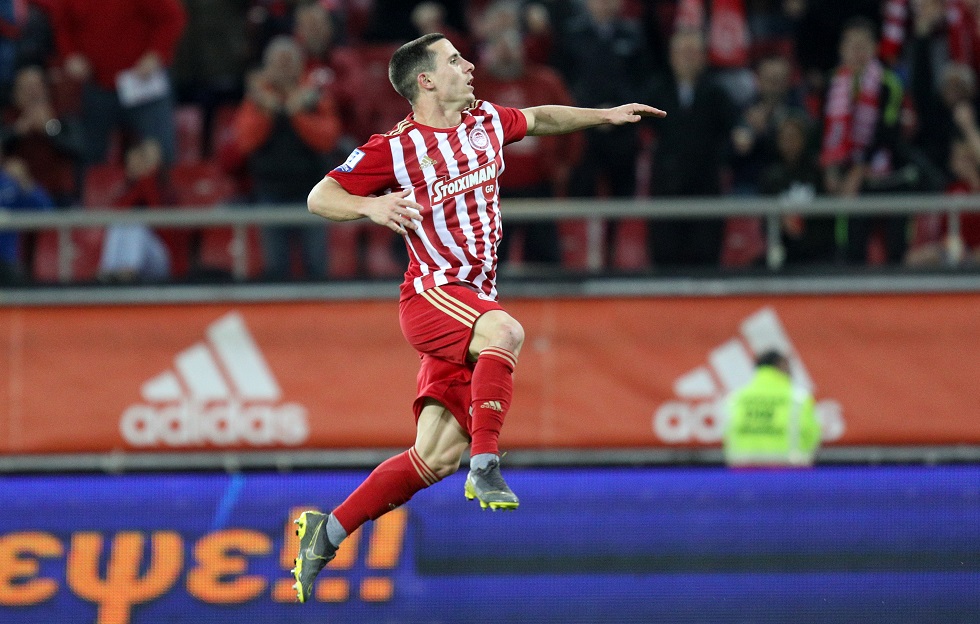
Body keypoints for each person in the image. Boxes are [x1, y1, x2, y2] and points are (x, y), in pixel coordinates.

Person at [291, 32, 664, 603]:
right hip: (432, 295)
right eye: (454, 60)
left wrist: (604, 116)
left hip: (471, 303)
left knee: (434, 457)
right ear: (426, 80)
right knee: (506, 331)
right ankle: (486, 463)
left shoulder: (486, 121)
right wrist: (370, 205)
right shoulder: (394, 147)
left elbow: (540, 118)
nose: (469, 65)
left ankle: (329, 530)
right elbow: (319, 197)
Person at [232, 35, 342, 281]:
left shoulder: (314, 96)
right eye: (278, 63)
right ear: (267, 67)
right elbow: (245, 140)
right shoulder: (258, 99)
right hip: (270, 192)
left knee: (317, 267)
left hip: (313, 193)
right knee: (275, 269)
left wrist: (296, 113)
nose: (283, 69)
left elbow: (328, 139)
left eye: (288, 62)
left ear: (300, 65)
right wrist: (269, 111)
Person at [49, 0, 186, 167]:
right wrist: (70, 54)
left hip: (143, 85)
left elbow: (172, 17)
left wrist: (156, 53)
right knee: (88, 156)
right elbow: (62, 23)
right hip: (97, 84)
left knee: (161, 154)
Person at [724, 350, 821, 467]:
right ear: (781, 365)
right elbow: (811, 435)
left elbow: (728, 434)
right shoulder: (798, 399)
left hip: (743, 471)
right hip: (788, 471)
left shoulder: (736, 398)